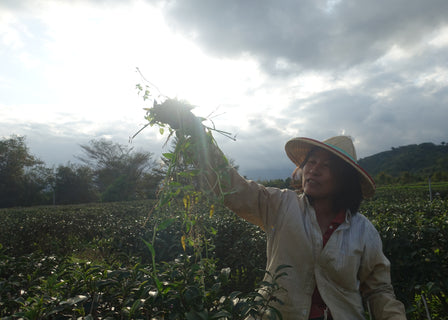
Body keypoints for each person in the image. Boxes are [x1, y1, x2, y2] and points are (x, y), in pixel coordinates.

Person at [155, 103, 407, 320]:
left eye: (326, 166)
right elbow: (232, 188)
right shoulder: (281, 205)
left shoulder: (363, 231)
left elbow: (378, 290)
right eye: (311, 162)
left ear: (344, 180)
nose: (313, 170)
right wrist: (198, 134)